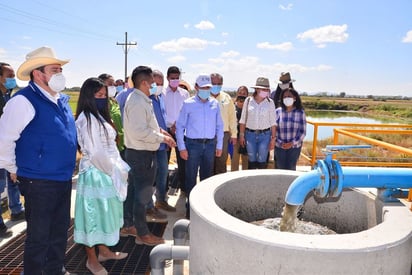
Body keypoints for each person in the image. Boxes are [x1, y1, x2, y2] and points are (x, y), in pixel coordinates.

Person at [0, 46, 77, 274]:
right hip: (38, 180)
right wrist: (13, 168)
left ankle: (55, 269)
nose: (60, 74)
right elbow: (4, 140)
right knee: (39, 237)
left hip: (62, 178)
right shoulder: (22, 101)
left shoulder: (61, 99)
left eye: (60, 69)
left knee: (59, 231)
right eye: (54, 69)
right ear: (37, 73)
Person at [74, 77, 129, 275]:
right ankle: (91, 259)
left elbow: (110, 146)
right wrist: (114, 170)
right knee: (92, 217)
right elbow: (96, 152)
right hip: (97, 173)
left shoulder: (99, 115)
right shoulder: (86, 119)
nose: (102, 98)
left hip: (107, 170)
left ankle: (104, 251)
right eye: (98, 95)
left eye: (104, 95)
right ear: (88, 97)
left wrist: (119, 167)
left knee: (106, 215)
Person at [120, 66, 176, 246]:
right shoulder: (137, 102)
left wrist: (162, 133)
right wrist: (162, 139)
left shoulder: (142, 99)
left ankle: (128, 225)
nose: (154, 86)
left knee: (134, 191)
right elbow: (140, 131)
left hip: (139, 152)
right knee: (141, 196)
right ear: (144, 83)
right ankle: (143, 234)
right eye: (152, 83)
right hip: (141, 154)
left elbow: (148, 125)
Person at [176, 74, 224, 219]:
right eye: (203, 88)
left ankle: (204, 212)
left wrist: (219, 145)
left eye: (208, 88)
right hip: (193, 145)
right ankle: (191, 211)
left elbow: (219, 126)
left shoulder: (214, 104)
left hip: (209, 145)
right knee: (190, 178)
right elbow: (180, 126)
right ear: (196, 87)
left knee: (206, 178)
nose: (205, 90)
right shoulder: (188, 104)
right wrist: (182, 148)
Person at [0, 62, 25, 238]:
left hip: (12, 145)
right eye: (9, 75)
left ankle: (16, 209)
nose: (12, 79)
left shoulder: (9, 95)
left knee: (13, 179)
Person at [149, 70, 176, 212]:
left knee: (163, 172)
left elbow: (163, 120)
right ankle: (148, 206)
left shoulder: (160, 98)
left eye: (161, 84)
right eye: (156, 84)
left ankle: (161, 200)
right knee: (150, 175)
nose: (158, 86)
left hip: (162, 143)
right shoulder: (146, 100)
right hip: (151, 143)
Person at [239, 77, 276, 169]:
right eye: (263, 89)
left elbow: (273, 122)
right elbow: (243, 120)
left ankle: (261, 182)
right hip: (250, 135)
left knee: (262, 161)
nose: (265, 91)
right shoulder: (248, 101)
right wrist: (241, 135)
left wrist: (273, 139)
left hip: (265, 136)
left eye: (267, 89)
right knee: (251, 160)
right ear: (256, 89)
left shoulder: (270, 102)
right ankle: (252, 182)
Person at [163, 66, 189, 195]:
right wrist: (170, 126)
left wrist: (178, 124)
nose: (175, 80)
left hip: (181, 130)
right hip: (165, 131)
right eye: (172, 78)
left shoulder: (185, 94)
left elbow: (187, 112)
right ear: (167, 78)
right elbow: (161, 112)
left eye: (177, 78)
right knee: (164, 161)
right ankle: (163, 189)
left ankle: (184, 188)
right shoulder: (162, 93)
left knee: (183, 160)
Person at [210, 73, 237, 174]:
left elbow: (232, 117)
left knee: (221, 162)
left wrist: (234, 135)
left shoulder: (227, 98)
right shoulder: (204, 97)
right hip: (208, 135)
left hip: (224, 135)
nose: (216, 86)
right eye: (213, 83)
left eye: (218, 84)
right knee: (209, 163)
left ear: (222, 84)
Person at [275, 88, 306, 170]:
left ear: (295, 98)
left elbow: (303, 132)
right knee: (280, 168)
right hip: (279, 146)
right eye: (284, 96)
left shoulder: (300, 112)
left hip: (294, 147)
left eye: (289, 96)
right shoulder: (277, 111)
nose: (287, 98)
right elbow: (273, 130)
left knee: (291, 168)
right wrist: (280, 143)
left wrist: (292, 143)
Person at [231, 86, 249, 171]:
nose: (242, 95)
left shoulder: (249, 107)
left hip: (247, 137)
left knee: (246, 161)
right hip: (234, 138)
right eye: (240, 93)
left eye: (244, 94)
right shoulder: (232, 106)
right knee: (234, 160)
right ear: (237, 93)